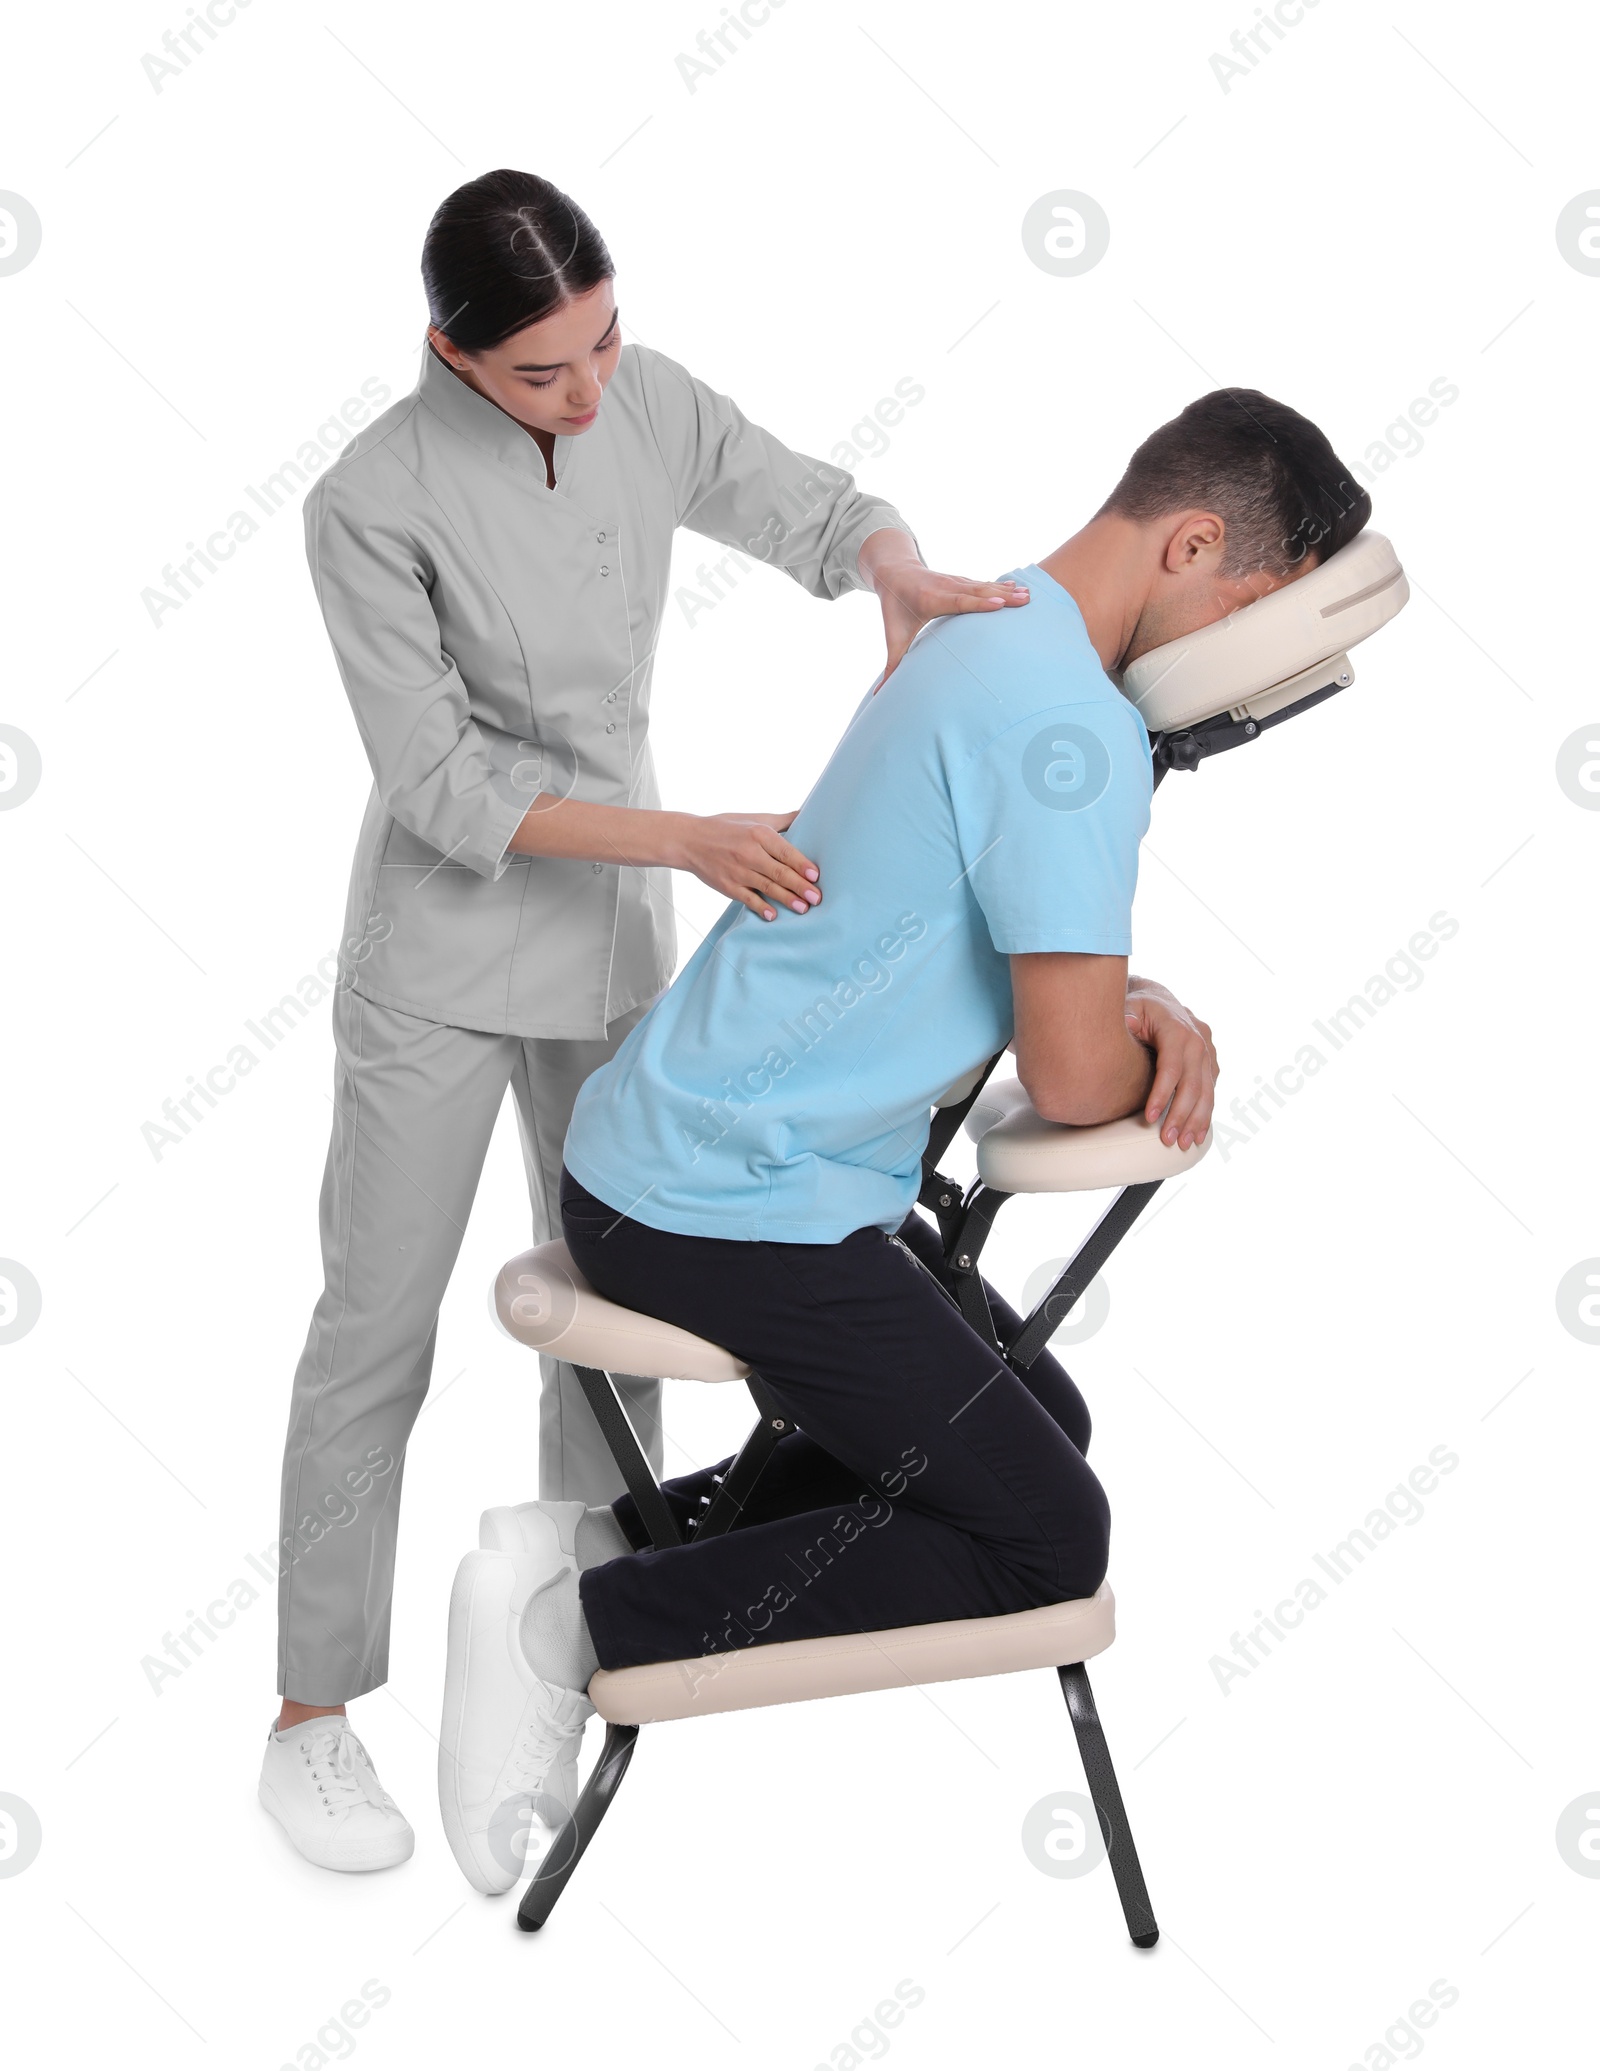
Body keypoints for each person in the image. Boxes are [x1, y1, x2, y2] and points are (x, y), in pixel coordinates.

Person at [433, 387, 1373, 1895]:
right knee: (1048, 1534)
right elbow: (1072, 1078)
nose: (1236, 670)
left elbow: (945, 915)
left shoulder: (993, 628)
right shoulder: (1074, 723)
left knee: (1035, 1425)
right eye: (1252, 612)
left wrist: (1136, 996)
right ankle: (570, 1635)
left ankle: (589, 1546)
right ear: (1197, 545)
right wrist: (1155, 1027)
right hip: (724, 1202)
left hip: (681, 1156)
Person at [260, 167, 1030, 1873]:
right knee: (376, 1326)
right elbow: (444, 786)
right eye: (545, 371)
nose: (589, 391)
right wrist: (686, 839)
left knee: (622, 1311)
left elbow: (812, 507)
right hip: (446, 956)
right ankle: (314, 1718)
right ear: (451, 355)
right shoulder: (365, 502)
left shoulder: (642, 397)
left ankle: (578, 1637)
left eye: (606, 343)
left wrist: (893, 565)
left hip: (611, 944)